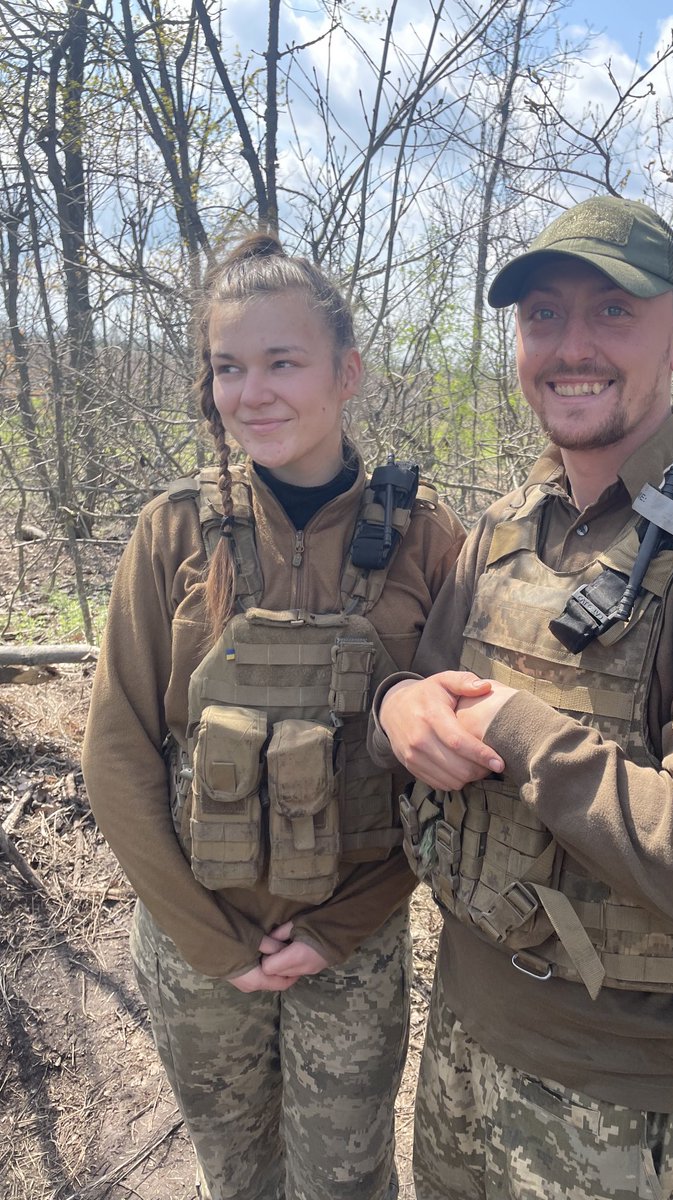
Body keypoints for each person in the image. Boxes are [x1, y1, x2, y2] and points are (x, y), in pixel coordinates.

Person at [371, 196, 673, 1200]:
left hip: (623, 1110)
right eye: (543, 316)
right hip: (459, 1044)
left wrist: (522, 734)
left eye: (613, 312)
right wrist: (399, 707)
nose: (571, 346)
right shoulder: (503, 529)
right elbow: (426, 703)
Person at [82, 234, 464, 1200]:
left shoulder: (427, 538)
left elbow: (454, 773)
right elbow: (118, 752)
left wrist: (346, 924)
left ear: (348, 373)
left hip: (353, 949)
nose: (251, 393)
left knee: (348, 1180)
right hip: (197, 947)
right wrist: (211, 946)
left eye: (282, 362)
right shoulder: (173, 530)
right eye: (227, 368)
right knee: (238, 1178)